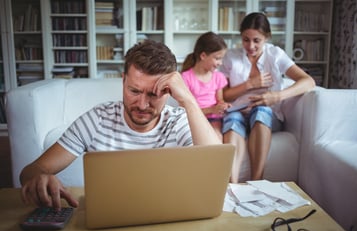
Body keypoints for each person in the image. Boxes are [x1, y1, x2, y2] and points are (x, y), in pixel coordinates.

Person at [20, 40, 221, 209]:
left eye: (153, 94)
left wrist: (188, 100)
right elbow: (31, 170)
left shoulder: (178, 121)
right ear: (123, 80)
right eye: (134, 91)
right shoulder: (98, 119)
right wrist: (39, 178)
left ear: (169, 92)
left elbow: (216, 172)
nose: (142, 105)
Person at [220, 12, 315, 183]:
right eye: (245, 39)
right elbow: (225, 94)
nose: (250, 46)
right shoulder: (231, 57)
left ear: (267, 38)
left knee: (261, 111)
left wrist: (277, 96)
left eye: (257, 40)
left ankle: (257, 181)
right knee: (232, 118)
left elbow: (308, 81)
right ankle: (231, 184)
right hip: (238, 112)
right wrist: (250, 84)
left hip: (267, 115)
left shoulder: (275, 55)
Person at [181, 31, 231, 141]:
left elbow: (220, 100)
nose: (220, 63)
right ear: (203, 56)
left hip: (214, 119)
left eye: (221, 59)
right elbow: (186, 109)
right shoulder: (186, 77)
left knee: (217, 137)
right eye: (217, 58)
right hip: (194, 119)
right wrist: (211, 109)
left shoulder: (218, 77)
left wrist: (223, 106)